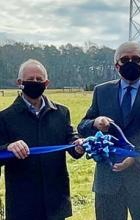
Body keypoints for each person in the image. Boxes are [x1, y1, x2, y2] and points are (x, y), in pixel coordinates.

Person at [77, 41, 140, 220]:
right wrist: (95, 122)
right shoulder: (101, 91)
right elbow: (82, 126)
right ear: (116, 65)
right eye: (125, 59)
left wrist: (136, 155)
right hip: (108, 182)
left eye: (136, 59)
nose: (130, 63)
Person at [0, 59, 84, 220]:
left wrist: (78, 144)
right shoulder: (5, 117)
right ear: (19, 82)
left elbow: (70, 139)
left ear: (47, 83)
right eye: (30, 79)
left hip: (55, 202)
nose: (35, 82)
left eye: (39, 80)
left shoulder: (61, 113)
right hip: (22, 203)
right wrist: (8, 147)